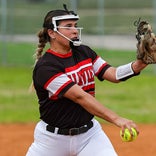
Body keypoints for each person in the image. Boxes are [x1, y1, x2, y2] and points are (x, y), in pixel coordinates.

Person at [26, 4, 147, 156]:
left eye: (75, 25)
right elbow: (80, 97)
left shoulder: (84, 52)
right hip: (52, 141)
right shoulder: (46, 67)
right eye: (68, 26)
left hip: (89, 136)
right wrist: (116, 119)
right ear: (52, 33)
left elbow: (114, 74)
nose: (75, 30)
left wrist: (141, 63)